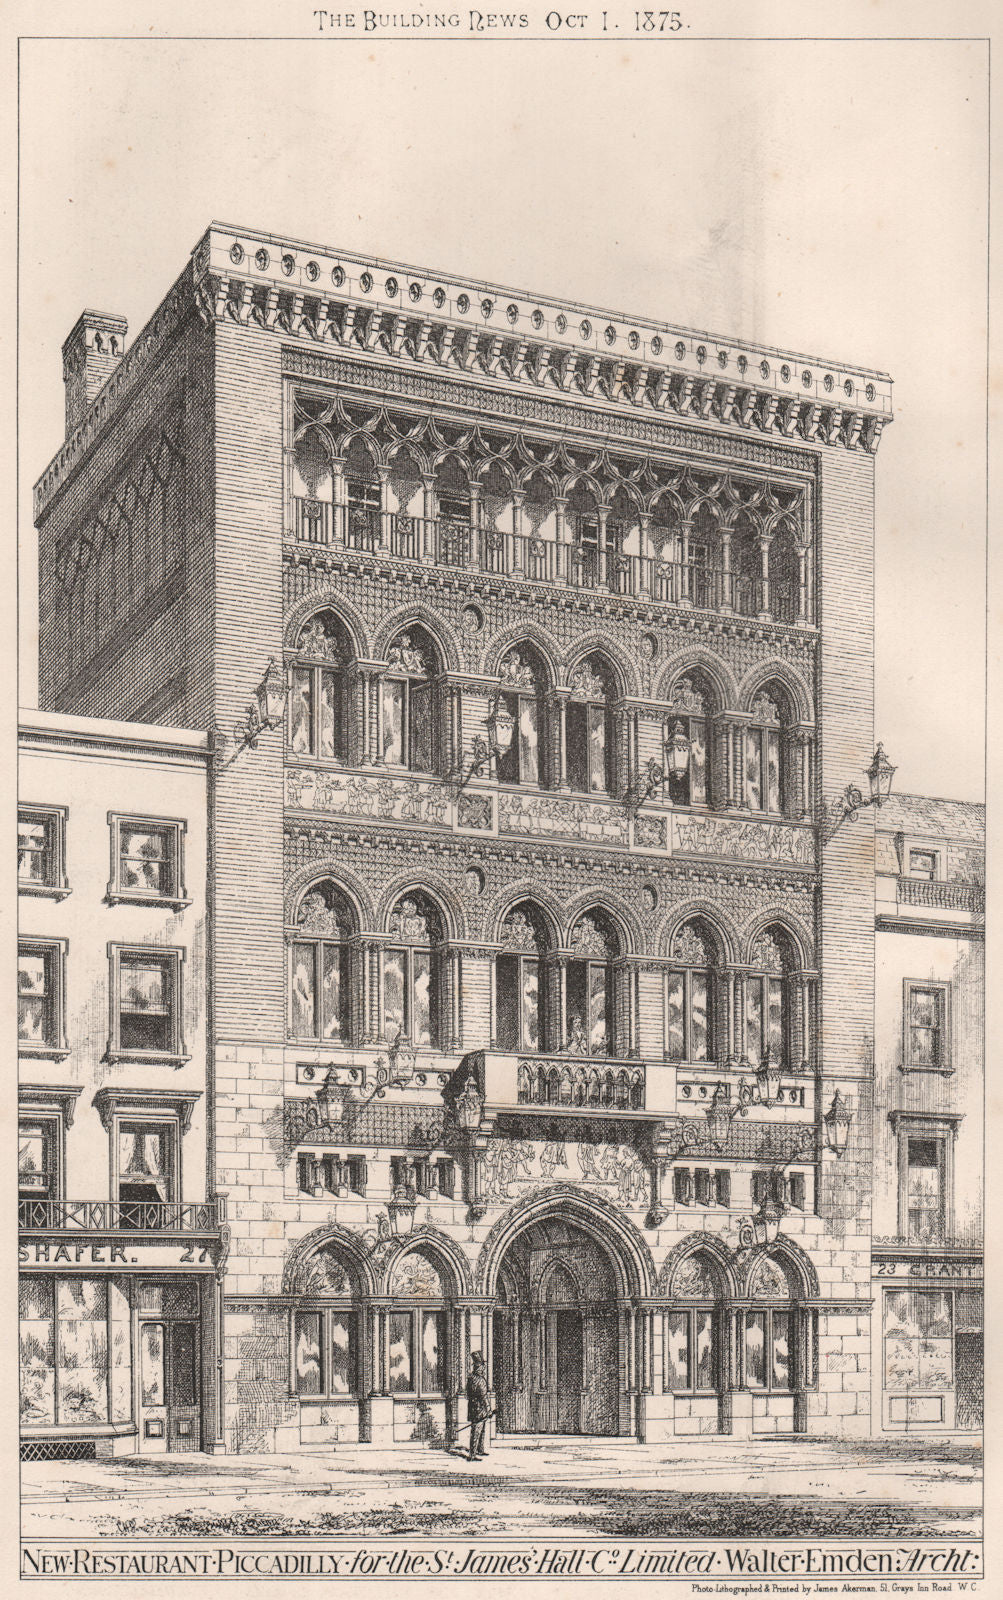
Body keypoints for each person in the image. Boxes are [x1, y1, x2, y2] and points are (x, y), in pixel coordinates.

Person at [466, 1351, 490, 1461]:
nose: (483, 1369)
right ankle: (473, 1454)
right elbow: (484, 1396)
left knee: (479, 1429)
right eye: (482, 1367)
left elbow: (468, 1394)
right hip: (481, 1408)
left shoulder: (470, 1379)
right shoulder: (481, 1380)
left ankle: (479, 1449)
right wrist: (489, 1408)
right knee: (477, 1430)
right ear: (478, 1368)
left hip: (472, 1407)